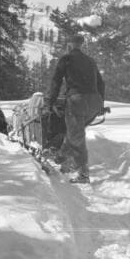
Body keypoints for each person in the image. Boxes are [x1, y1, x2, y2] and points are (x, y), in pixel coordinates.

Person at [47, 33, 105, 184]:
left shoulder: (66, 59)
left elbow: (56, 82)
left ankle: (83, 175)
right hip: (94, 101)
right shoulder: (90, 60)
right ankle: (60, 159)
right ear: (81, 44)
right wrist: (100, 105)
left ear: (69, 44)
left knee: (76, 137)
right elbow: (101, 84)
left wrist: (51, 102)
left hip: (77, 101)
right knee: (74, 132)